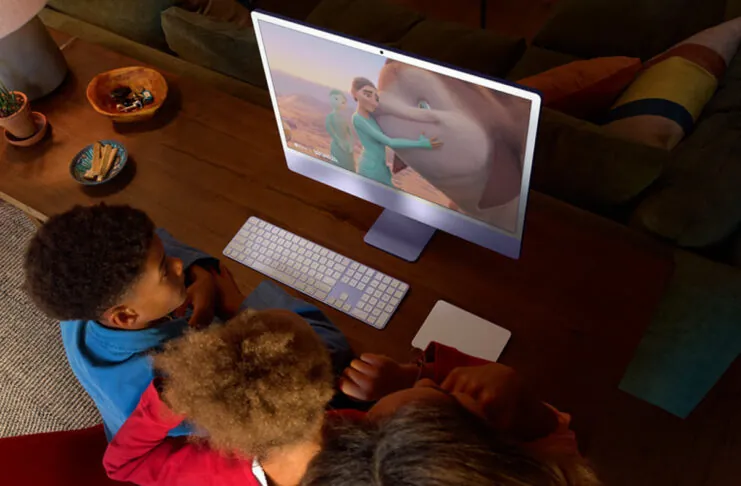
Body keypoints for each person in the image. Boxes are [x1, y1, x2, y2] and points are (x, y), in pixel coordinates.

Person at [23, 203, 352, 441]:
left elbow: (158, 240)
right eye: (166, 270)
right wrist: (238, 305)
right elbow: (326, 352)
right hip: (214, 439)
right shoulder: (176, 385)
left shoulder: (84, 303)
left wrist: (200, 274)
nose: (179, 264)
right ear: (125, 316)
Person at [103, 306, 357, 486]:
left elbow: (121, 465)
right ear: (325, 384)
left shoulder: (204, 471)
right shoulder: (356, 429)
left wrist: (172, 400)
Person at [301, 343, 601, 486]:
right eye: (447, 395)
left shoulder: (335, 455)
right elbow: (559, 447)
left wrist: (407, 377)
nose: (426, 382)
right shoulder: (546, 466)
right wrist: (524, 404)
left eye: (366, 426)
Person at [350, 77, 442, 186]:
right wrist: (420, 143)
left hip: (381, 167)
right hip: (370, 169)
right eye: (367, 95)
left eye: (376, 98)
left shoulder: (371, 117)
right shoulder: (358, 119)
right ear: (354, 93)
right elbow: (390, 142)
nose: (373, 102)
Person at [325, 89, 355, 171]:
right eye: (336, 99)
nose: (340, 102)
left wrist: (351, 144)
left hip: (347, 145)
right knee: (337, 165)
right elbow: (330, 130)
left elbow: (349, 132)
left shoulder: (343, 118)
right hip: (337, 145)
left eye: (343, 101)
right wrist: (339, 142)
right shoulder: (330, 117)